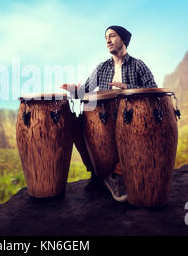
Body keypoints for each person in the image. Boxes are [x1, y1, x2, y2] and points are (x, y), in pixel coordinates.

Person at [60, 25, 157, 202]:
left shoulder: (138, 65)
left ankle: (116, 175)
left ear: (123, 39)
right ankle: (97, 173)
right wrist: (74, 90)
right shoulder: (102, 68)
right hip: (103, 118)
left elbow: (153, 90)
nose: (108, 40)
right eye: (106, 37)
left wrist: (128, 88)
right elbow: (84, 91)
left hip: (131, 117)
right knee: (76, 127)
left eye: (112, 36)